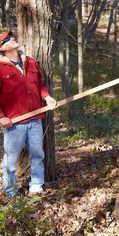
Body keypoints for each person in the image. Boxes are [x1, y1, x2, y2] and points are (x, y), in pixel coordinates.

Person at [0, 31, 57, 198]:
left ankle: (36, 187)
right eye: (8, 39)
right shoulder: (1, 68)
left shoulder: (30, 62)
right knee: (10, 161)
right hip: (14, 123)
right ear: (2, 48)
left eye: (12, 37)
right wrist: (2, 116)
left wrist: (47, 97)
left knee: (38, 154)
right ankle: (11, 191)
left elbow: (39, 85)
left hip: (35, 119)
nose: (13, 39)